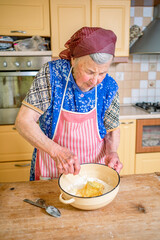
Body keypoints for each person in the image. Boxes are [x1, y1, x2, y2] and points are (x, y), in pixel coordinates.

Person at [15, 26, 123, 181]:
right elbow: (23, 122)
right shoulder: (52, 75)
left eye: (102, 73)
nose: (95, 81)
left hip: (93, 171)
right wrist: (56, 151)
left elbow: (112, 128)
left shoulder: (109, 85)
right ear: (73, 59)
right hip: (52, 167)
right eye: (90, 72)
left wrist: (112, 152)